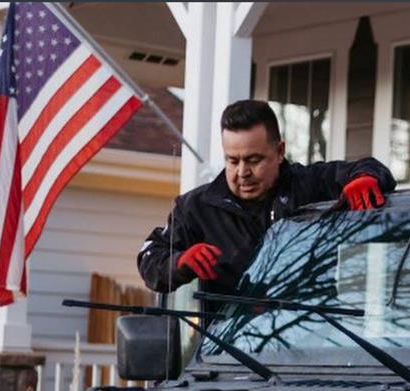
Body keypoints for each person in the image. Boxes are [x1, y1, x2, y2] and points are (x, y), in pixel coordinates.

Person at [138, 100, 396, 294]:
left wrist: (366, 178)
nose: (242, 172)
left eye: (254, 160)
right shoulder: (196, 208)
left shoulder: (309, 186)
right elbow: (150, 258)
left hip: (314, 341)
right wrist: (179, 263)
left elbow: (368, 167)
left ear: (280, 151)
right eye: (232, 160)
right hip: (228, 346)